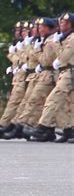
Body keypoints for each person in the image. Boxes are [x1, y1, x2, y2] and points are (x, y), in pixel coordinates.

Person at [30, 13, 73, 142]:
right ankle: (69, 130)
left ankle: (42, 127)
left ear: (70, 25)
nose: (60, 25)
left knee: (53, 99)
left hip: (69, 72)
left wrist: (56, 44)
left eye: (63, 23)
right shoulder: (65, 38)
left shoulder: (72, 38)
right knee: (68, 104)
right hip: (65, 73)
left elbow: (63, 56)